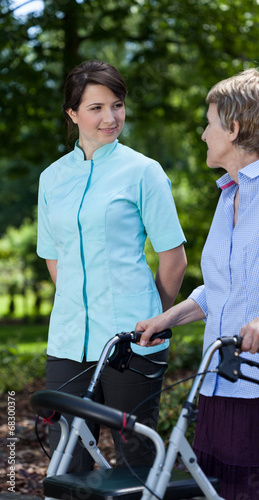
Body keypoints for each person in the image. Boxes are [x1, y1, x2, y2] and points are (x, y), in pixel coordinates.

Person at [136, 68, 259, 499]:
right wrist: (166, 318)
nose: (204, 134)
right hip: (219, 383)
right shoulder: (229, 196)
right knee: (218, 491)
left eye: (209, 123)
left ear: (235, 127)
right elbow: (222, 289)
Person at [36, 59, 187, 471]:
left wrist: (151, 318)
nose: (110, 118)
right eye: (96, 107)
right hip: (68, 340)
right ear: (72, 113)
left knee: (136, 455)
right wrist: (75, 303)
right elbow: (53, 255)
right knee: (67, 458)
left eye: (116, 105)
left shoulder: (143, 172)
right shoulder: (51, 179)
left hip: (131, 340)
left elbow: (173, 258)